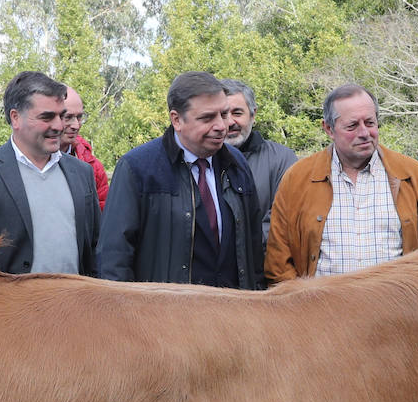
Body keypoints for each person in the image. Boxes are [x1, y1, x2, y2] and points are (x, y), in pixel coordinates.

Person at [266, 83, 418, 282]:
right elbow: (278, 262)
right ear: (329, 129)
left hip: (395, 309)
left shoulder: (414, 175)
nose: (364, 133)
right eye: (352, 126)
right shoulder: (298, 179)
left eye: (370, 123)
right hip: (324, 308)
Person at [97, 71, 263, 289]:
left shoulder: (237, 165)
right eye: (207, 117)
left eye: (223, 114)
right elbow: (114, 259)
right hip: (164, 316)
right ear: (177, 120)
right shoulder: (138, 168)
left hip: (231, 314)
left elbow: (253, 252)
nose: (222, 126)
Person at [0, 72, 100, 275]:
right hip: (6, 305)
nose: (59, 126)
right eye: (47, 117)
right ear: (15, 118)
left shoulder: (82, 172)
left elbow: (96, 247)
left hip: (75, 303)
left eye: (61, 115)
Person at [222, 78, 298, 241]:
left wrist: (239, 253)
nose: (229, 122)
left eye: (237, 113)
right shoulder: (200, 162)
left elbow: (284, 219)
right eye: (222, 115)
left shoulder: (282, 159)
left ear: (253, 114)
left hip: (265, 262)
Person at [59, 85, 109, 209]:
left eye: (79, 117)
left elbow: (104, 214)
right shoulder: (30, 160)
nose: (76, 125)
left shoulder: (93, 167)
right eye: (68, 117)